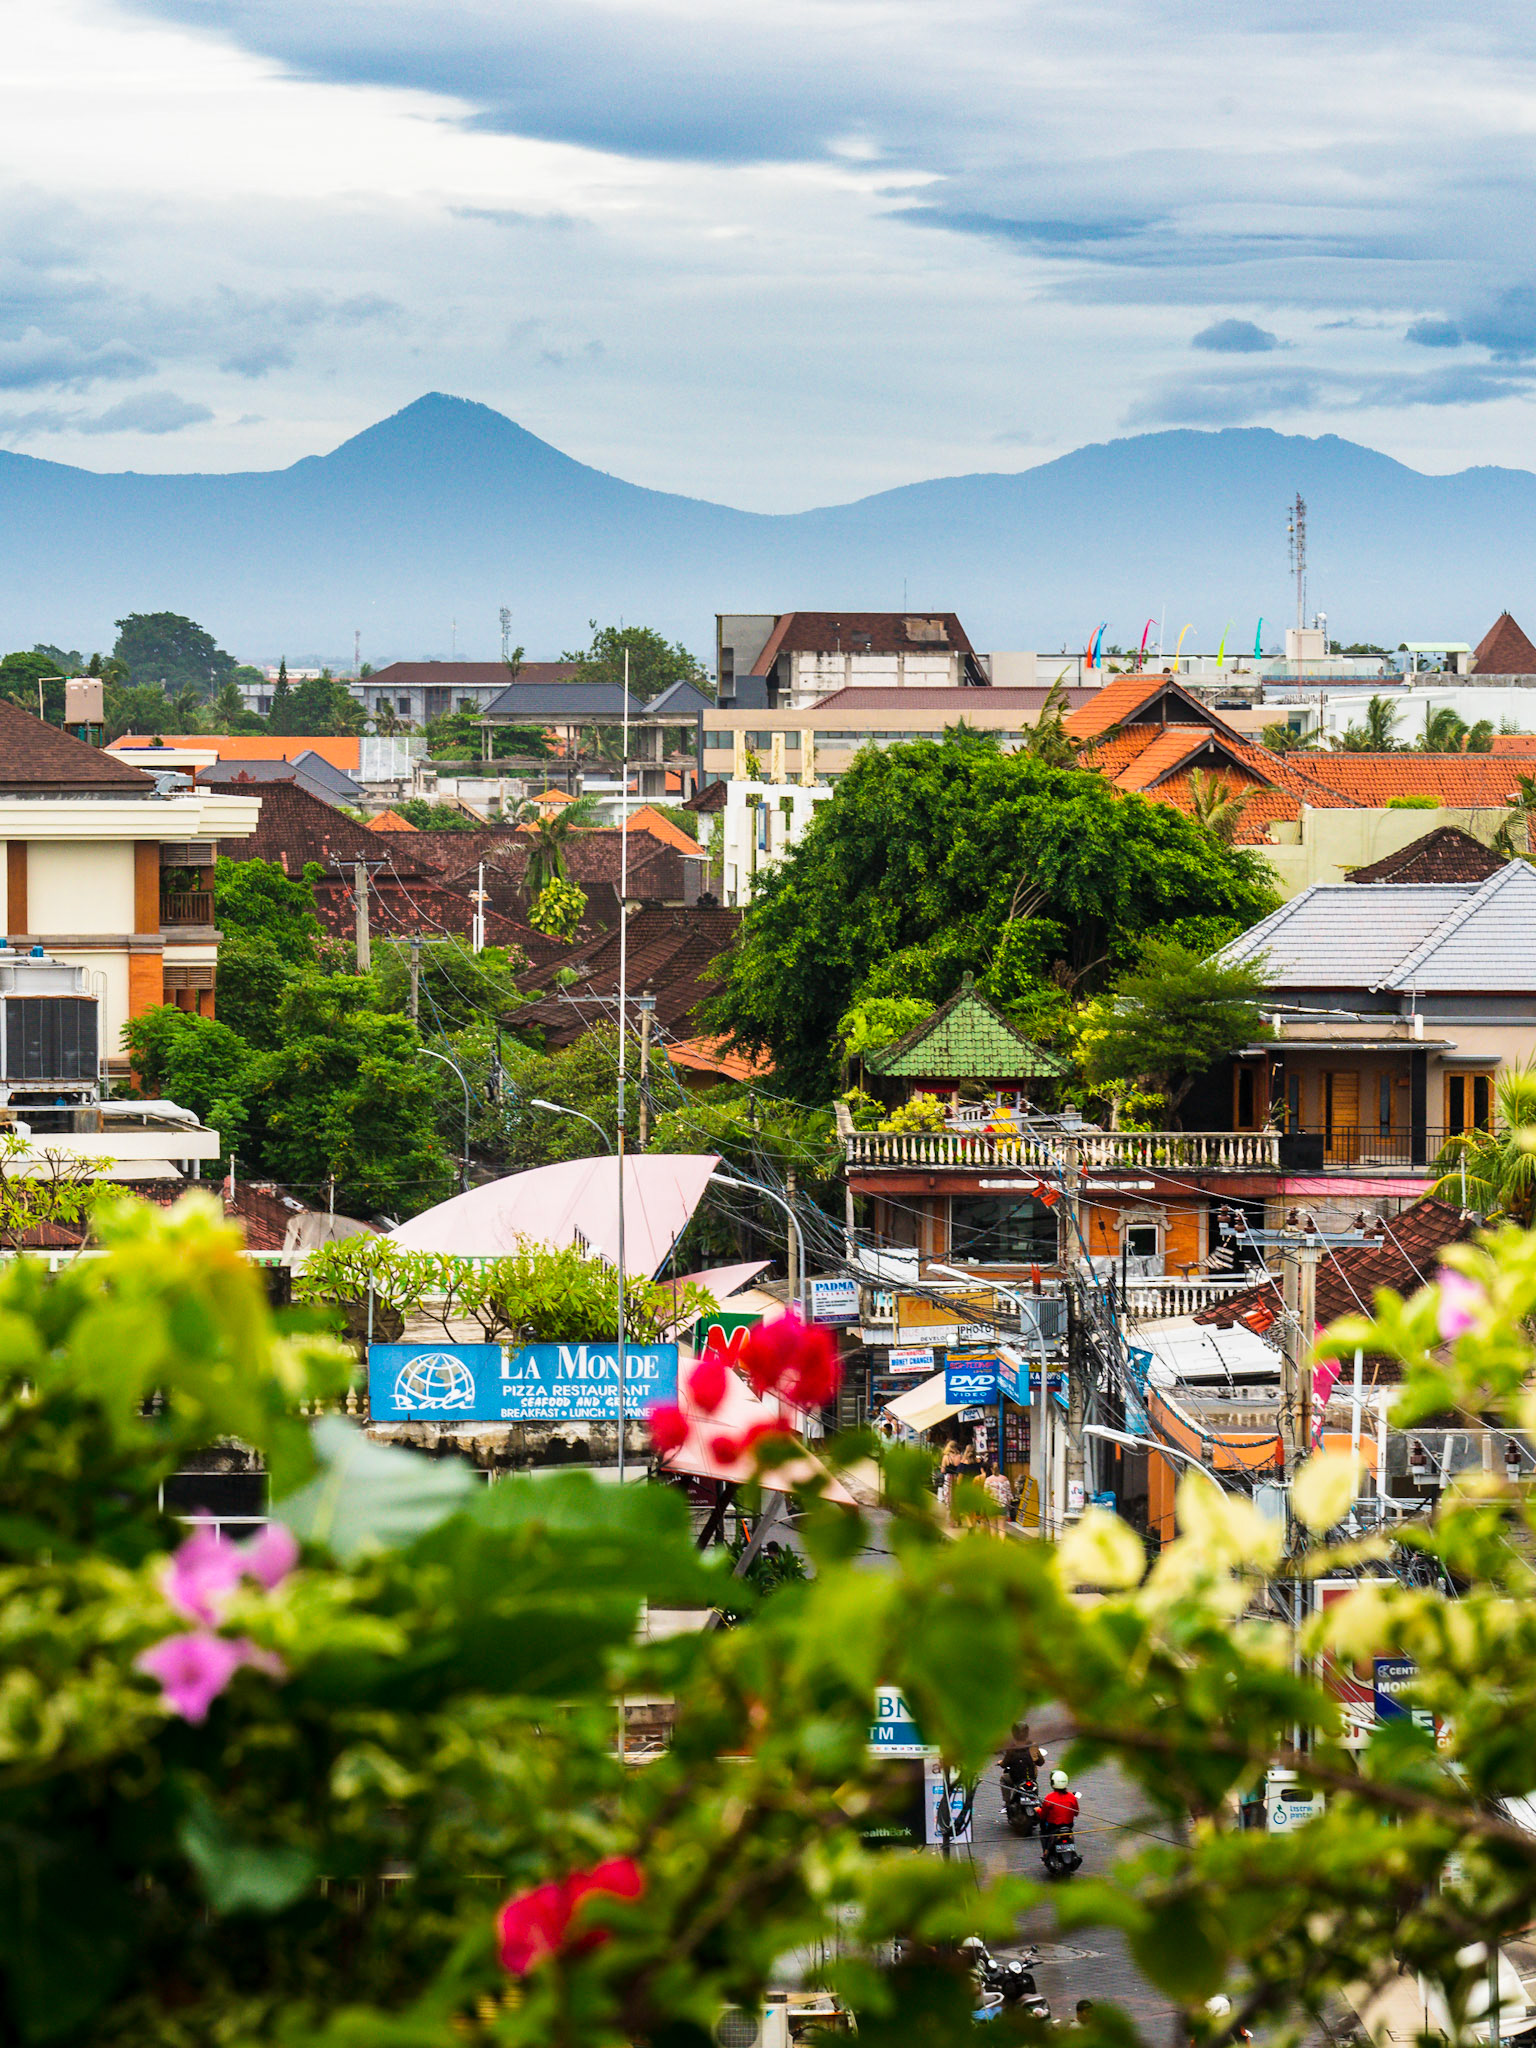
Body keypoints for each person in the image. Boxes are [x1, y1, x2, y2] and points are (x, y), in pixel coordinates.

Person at [1038, 1768, 1080, 1833]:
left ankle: (1045, 1841)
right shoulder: (1072, 1797)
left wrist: (1038, 1810)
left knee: (1042, 1824)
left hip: (1053, 1826)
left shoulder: (1049, 1797)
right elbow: (1076, 1813)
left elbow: (1044, 1815)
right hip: (1069, 1825)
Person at [982, 1456, 1014, 1535]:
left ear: (991, 1469)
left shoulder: (988, 1480)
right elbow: (1009, 1494)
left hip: (991, 1506)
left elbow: (985, 1494)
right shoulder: (1005, 1479)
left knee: (992, 1526)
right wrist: (1008, 1504)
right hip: (1002, 1505)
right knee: (1002, 1528)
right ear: (999, 1469)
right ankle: (1002, 1544)